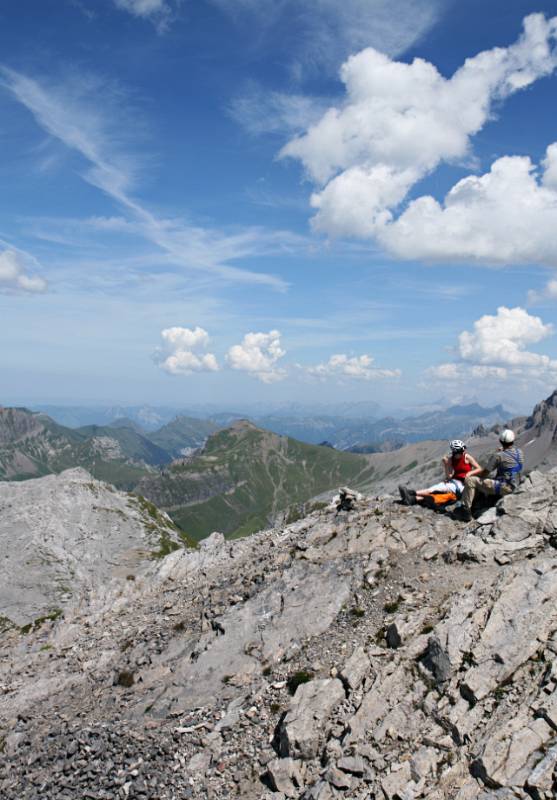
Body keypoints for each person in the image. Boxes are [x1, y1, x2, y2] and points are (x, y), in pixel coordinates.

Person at [456, 429, 523, 522]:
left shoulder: (498, 456)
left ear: (501, 441)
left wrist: (471, 473)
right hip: (515, 485)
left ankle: (465, 510)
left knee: (471, 480)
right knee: (487, 479)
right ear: (512, 441)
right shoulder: (519, 452)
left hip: (504, 487)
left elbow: (485, 473)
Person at [399, 440, 482, 507]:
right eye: (460, 451)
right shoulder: (451, 460)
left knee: (436, 492)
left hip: (463, 485)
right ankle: (411, 497)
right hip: (453, 483)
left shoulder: (466, 457)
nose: (462, 452)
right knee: (433, 490)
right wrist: (446, 465)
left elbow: (479, 468)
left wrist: (470, 473)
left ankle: (410, 494)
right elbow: (449, 476)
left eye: (462, 450)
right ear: (455, 451)